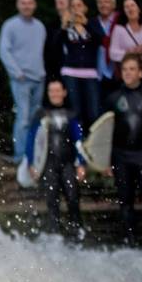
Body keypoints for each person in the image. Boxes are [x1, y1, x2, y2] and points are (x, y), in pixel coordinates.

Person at [25, 79, 86, 234]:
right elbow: (32, 139)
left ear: (64, 93)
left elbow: (79, 139)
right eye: (51, 90)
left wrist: (82, 163)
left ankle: (77, 231)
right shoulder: (40, 114)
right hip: (48, 165)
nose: (55, 94)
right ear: (48, 93)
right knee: (52, 200)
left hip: (68, 163)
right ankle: (55, 233)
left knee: (72, 197)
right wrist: (32, 163)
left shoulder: (72, 114)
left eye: (58, 90)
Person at [103, 52, 142, 245]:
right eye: (124, 69)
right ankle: (130, 241)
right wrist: (105, 160)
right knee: (125, 199)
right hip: (120, 155)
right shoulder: (113, 98)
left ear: (141, 73)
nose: (127, 73)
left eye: (132, 69)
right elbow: (104, 131)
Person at [0, 0, 46, 164]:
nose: (26, 6)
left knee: (35, 119)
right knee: (23, 118)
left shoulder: (40, 26)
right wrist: (16, 72)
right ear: (18, 5)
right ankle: (21, 157)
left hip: (39, 78)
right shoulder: (10, 25)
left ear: (34, 5)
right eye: (23, 3)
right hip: (21, 79)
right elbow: (4, 51)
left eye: (30, 2)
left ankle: (34, 156)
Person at [59, 0, 102, 130]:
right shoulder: (67, 26)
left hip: (90, 73)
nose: (76, 8)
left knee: (94, 112)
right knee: (75, 111)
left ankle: (92, 143)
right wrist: (63, 27)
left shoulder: (93, 23)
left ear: (85, 8)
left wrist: (86, 24)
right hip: (70, 72)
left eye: (79, 5)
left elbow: (101, 41)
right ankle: (77, 144)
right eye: (73, 6)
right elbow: (55, 46)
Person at [110, 0, 142, 90]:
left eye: (132, 5)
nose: (130, 9)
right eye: (126, 7)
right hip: (131, 73)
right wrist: (129, 53)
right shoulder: (119, 29)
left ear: (138, 8)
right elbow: (112, 53)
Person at [90, 0, 120, 99]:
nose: (103, 5)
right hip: (97, 74)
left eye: (106, 2)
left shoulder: (120, 20)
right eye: (100, 2)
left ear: (113, 4)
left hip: (117, 72)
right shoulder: (91, 23)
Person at [45, 0, 73, 82]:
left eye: (61, 3)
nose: (58, 7)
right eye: (56, 3)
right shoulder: (52, 26)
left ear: (70, 3)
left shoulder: (81, 23)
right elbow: (50, 50)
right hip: (58, 72)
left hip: (79, 71)